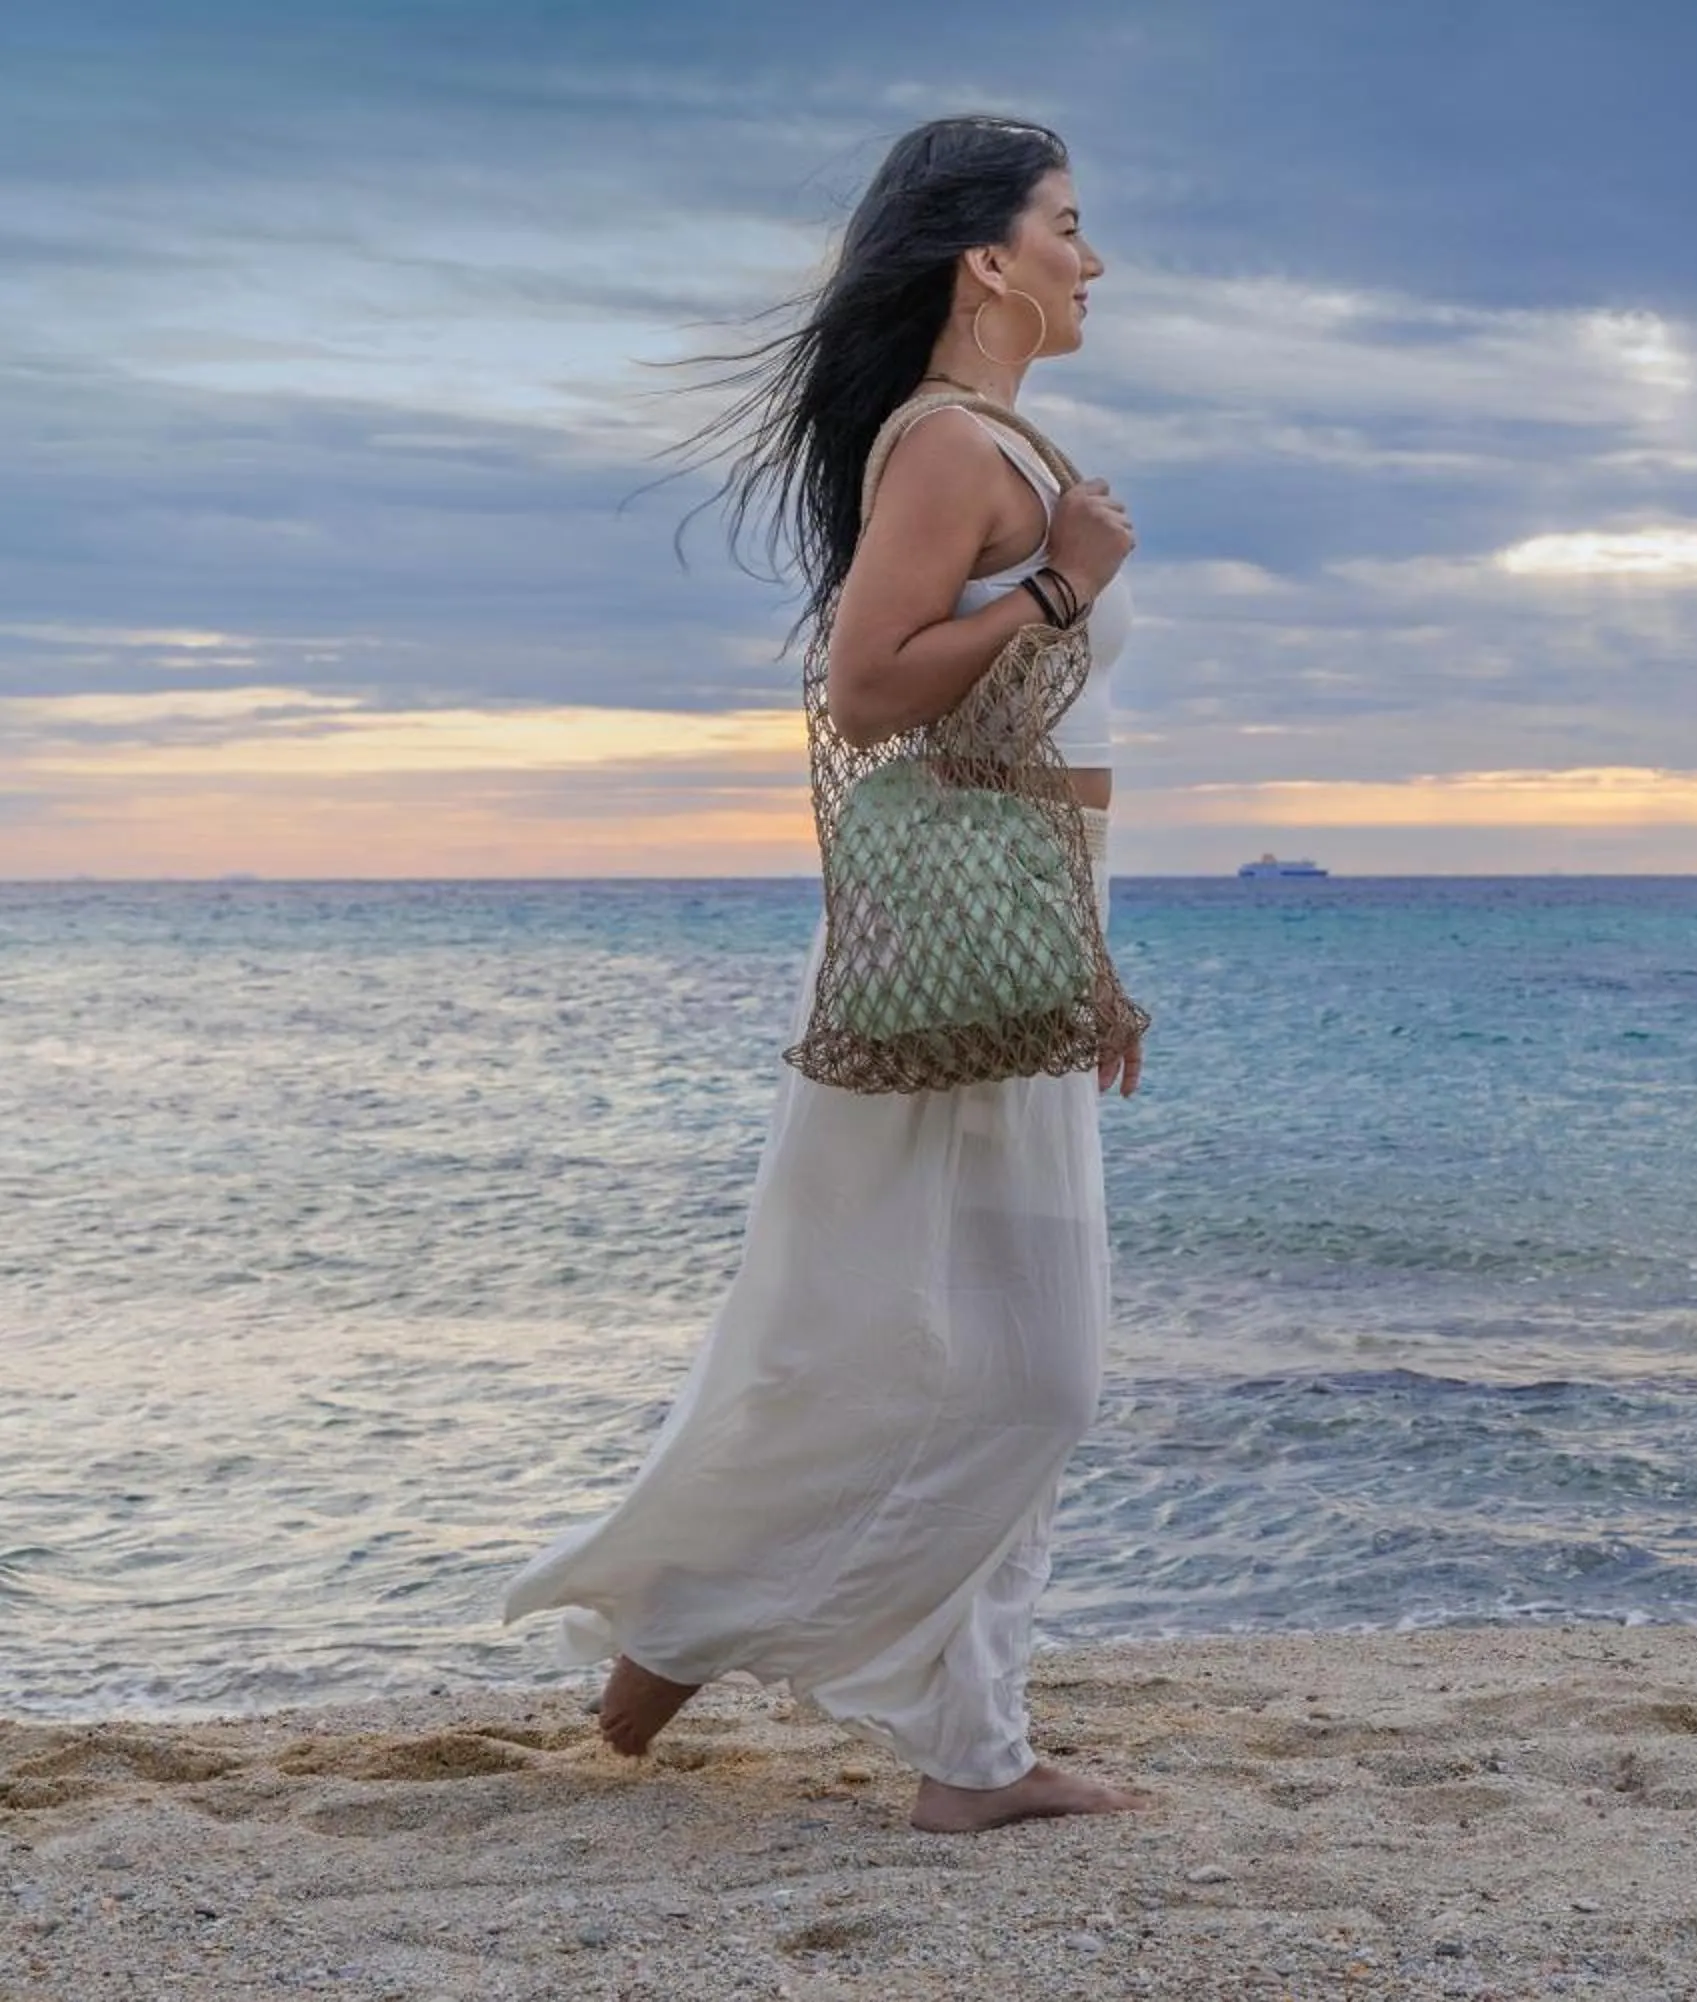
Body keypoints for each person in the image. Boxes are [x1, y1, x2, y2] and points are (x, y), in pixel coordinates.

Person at [499, 114, 1152, 1834]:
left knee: (911, 1340)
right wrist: (1066, 588)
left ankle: (958, 1752)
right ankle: (715, 1647)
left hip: (996, 942)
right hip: (947, 959)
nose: (1096, 257)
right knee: (1030, 1369)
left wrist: (1096, 970)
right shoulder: (950, 447)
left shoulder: (999, 438)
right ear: (987, 260)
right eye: (1071, 224)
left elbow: (1019, 754)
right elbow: (872, 690)